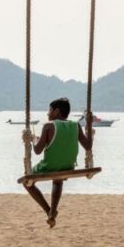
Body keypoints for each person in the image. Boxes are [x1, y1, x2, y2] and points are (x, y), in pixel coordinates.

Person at [22, 97, 92, 228]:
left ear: (57, 111)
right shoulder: (76, 125)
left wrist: (32, 139)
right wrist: (89, 125)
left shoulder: (49, 126)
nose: (48, 113)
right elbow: (88, 146)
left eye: (50, 110)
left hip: (50, 166)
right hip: (68, 166)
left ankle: (48, 210)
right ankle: (53, 211)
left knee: (27, 183)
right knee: (58, 178)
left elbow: (37, 150)